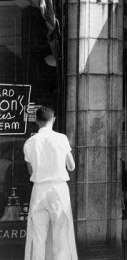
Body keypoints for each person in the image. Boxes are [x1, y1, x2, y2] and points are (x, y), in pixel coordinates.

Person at [23, 106, 77, 260]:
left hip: (39, 189)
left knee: (38, 238)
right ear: (53, 119)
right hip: (58, 189)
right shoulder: (61, 138)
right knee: (61, 236)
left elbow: (30, 170)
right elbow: (71, 167)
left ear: (36, 121)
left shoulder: (29, 142)